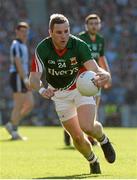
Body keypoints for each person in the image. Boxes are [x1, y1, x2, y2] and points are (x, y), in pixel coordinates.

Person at [29, 14, 116, 174]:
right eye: (59, 32)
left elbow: (95, 68)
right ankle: (92, 160)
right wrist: (42, 89)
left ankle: (103, 140)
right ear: (50, 32)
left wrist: (105, 74)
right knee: (76, 137)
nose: (64, 36)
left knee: (87, 127)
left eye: (66, 31)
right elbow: (33, 78)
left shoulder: (79, 45)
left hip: (80, 89)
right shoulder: (42, 48)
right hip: (59, 95)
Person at [63, 14, 112, 146]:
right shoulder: (80, 38)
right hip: (81, 77)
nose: (94, 26)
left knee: (94, 107)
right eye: (91, 24)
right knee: (74, 108)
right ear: (86, 26)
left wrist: (107, 73)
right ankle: (69, 131)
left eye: (96, 23)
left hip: (95, 77)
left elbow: (101, 58)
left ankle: (90, 137)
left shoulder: (101, 40)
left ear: (100, 25)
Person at [5, 22, 34, 140]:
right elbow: (18, 63)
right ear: (17, 32)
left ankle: (12, 124)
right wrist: (25, 79)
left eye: (26, 31)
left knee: (30, 104)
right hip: (17, 75)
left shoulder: (23, 45)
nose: (24, 34)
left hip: (22, 76)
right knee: (19, 104)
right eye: (22, 31)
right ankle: (14, 131)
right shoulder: (16, 44)